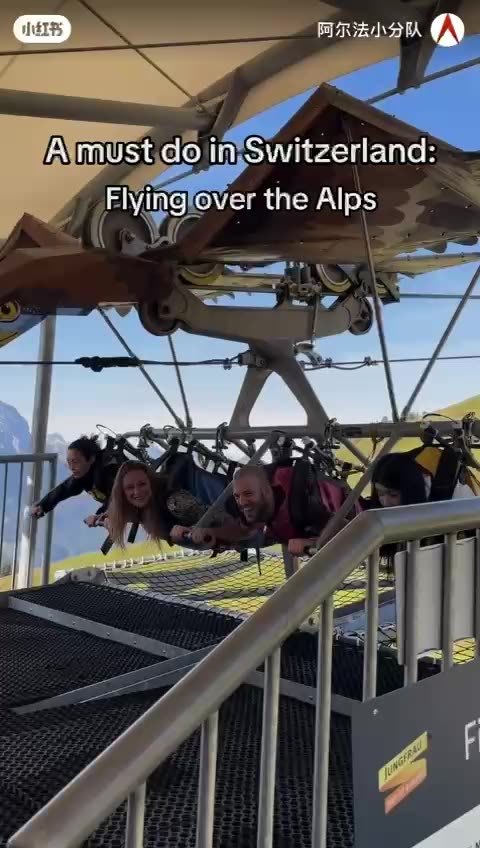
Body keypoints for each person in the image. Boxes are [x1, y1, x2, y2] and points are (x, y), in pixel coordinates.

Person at [171, 462, 361, 555]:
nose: (242, 502)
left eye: (248, 494)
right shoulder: (255, 507)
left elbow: (352, 531)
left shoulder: (301, 503)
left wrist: (314, 542)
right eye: (238, 496)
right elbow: (242, 531)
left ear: (267, 492)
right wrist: (204, 531)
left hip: (351, 517)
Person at [106, 459, 247, 549]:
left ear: (151, 483)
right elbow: (123, 513)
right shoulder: (136, 507)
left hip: (238, 536)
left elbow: (234, 526)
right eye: (130, 488)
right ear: (122, 492)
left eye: (142, 484)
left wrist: (201, 531)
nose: (137, 492)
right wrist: (104, 517)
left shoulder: (176, 502)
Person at [31, 435, 120, 527]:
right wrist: (42, 506)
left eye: (75, 462)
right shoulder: (84, 474)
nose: (71, 467)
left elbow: (118, 498)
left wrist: (100, 515)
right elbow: (64, 489)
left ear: (91, 459)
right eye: (69, 462)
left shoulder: (107, 472)